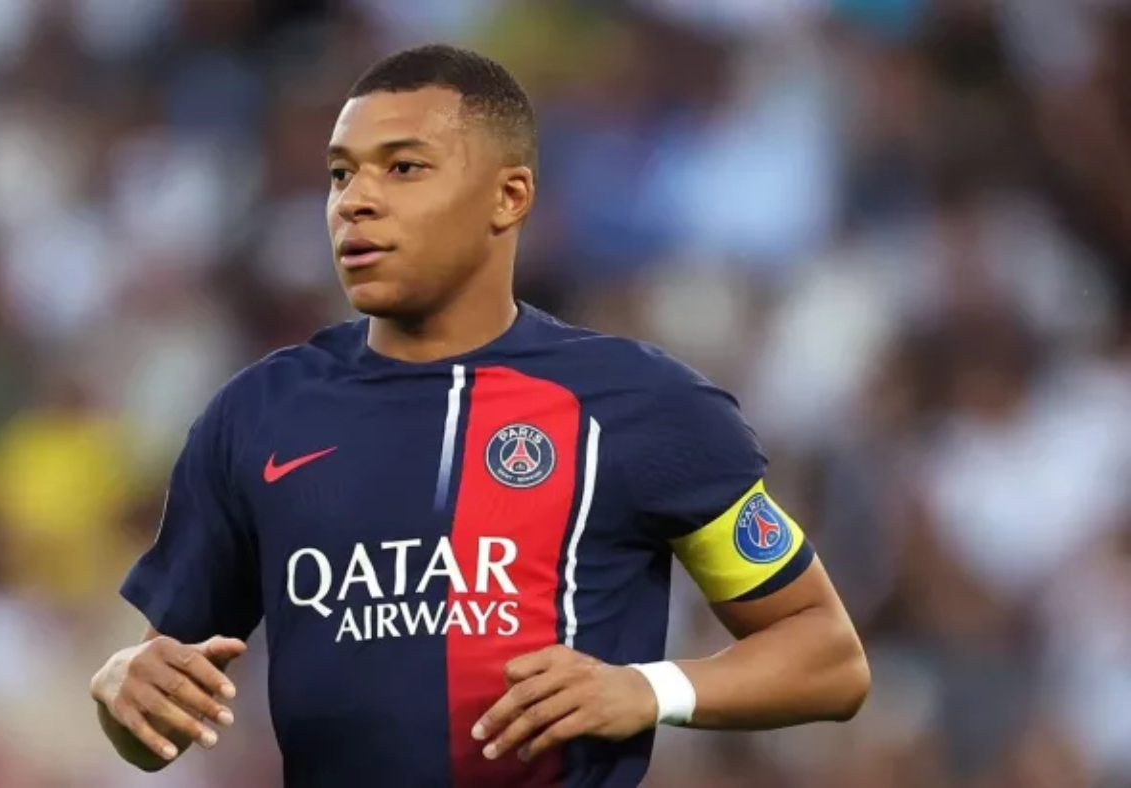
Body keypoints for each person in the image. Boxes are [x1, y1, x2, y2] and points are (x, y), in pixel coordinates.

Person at [90, 43, 869, 788]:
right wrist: (126, 687)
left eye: (403, 167)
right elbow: (159, 719)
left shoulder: (638, 405)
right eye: (340, 174)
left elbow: (828, 656)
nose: (356, 200)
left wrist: (649, 689)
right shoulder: (257, 415)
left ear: (509, 197)